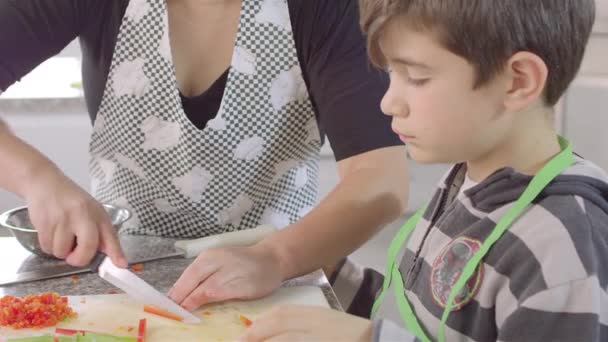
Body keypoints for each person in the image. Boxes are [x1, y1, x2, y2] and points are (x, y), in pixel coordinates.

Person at [0, 0, 409, 311]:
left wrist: (277, 256)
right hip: (120, 277)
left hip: (278, 277)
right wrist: (37, 177)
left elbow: (381, 177)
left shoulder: (326, 9)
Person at [238, 0, 608, 341]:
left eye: (416, 77)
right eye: (390, 73)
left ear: (518, 80)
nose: (387, 103)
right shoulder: (467, 181)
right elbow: (417, 317)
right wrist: (324, 271)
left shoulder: (562, 248)